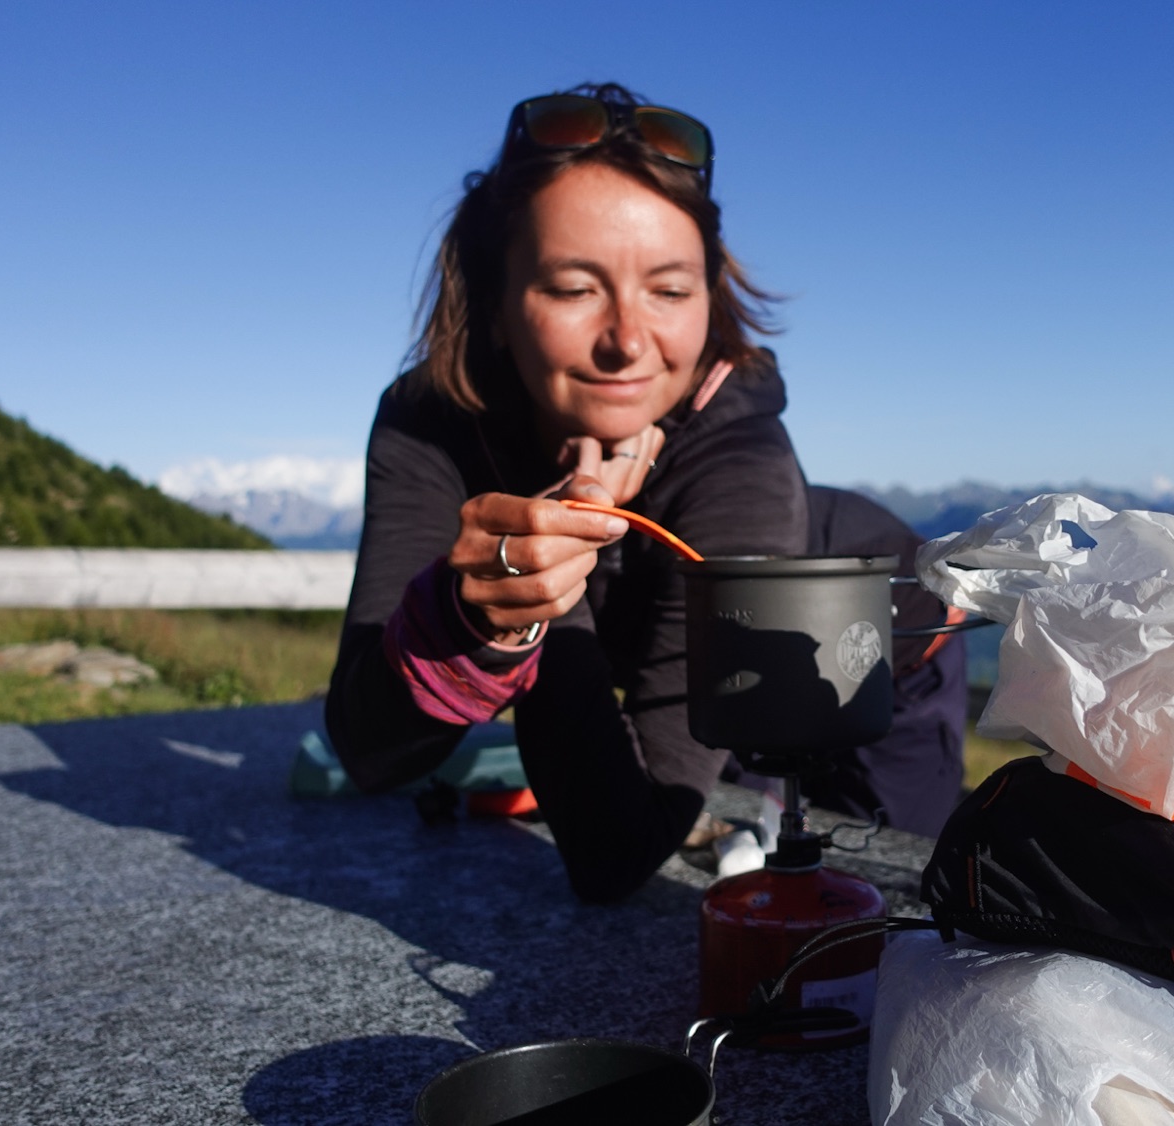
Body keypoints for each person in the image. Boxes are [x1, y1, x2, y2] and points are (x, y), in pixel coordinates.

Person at [327, 84, 961, 903]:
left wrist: (564, 549)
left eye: (669, 290)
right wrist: (489, 611)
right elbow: (371, 751)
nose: (628, 342)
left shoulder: (737, 459)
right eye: (572, 288)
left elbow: (617, 851)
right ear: (492, 306)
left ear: (710, 300)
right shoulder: (428, 425)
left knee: (867, 907)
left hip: (880, 665)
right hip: (706, 667)